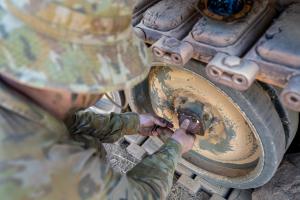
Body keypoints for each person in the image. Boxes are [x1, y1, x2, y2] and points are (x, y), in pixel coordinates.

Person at [0, 0, 195, 199]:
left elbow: (67, 123)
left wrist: (131, 123)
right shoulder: (36, 165)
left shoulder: (20, 98)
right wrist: (173, 149)